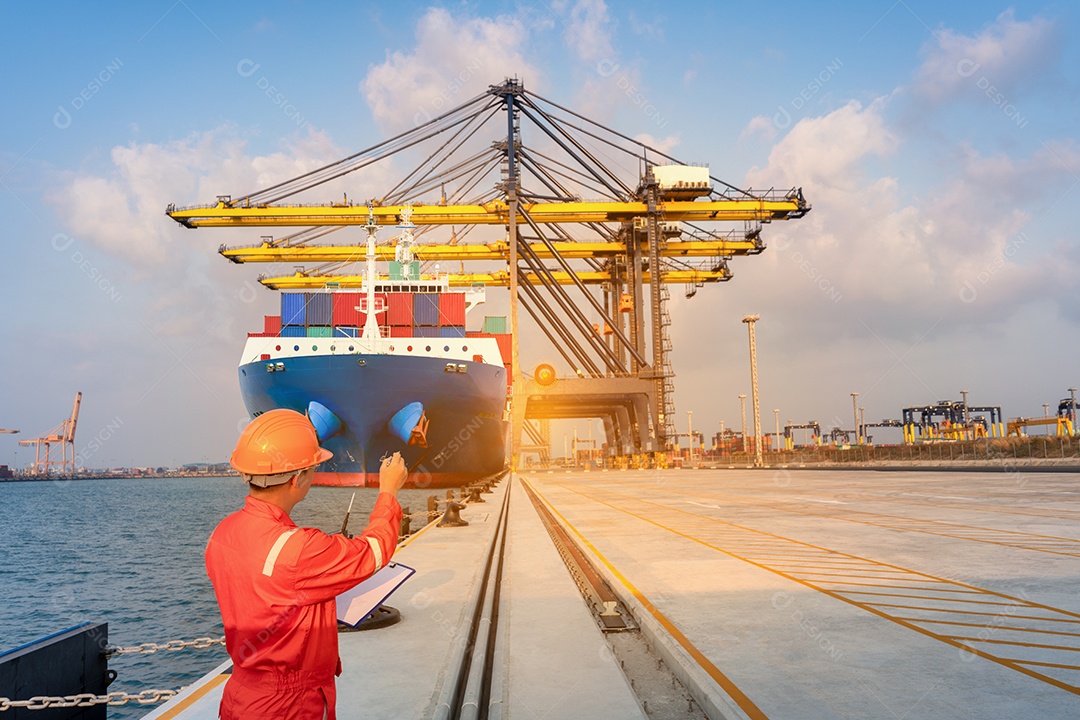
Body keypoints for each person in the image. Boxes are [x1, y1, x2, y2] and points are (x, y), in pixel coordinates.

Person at [205, 408, 407, 720]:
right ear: (299, 478)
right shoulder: (299, 549)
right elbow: (376, 550)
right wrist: (389, 491)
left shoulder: (222, 534)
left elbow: (265, 590)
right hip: (290, 706)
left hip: (240, 697)